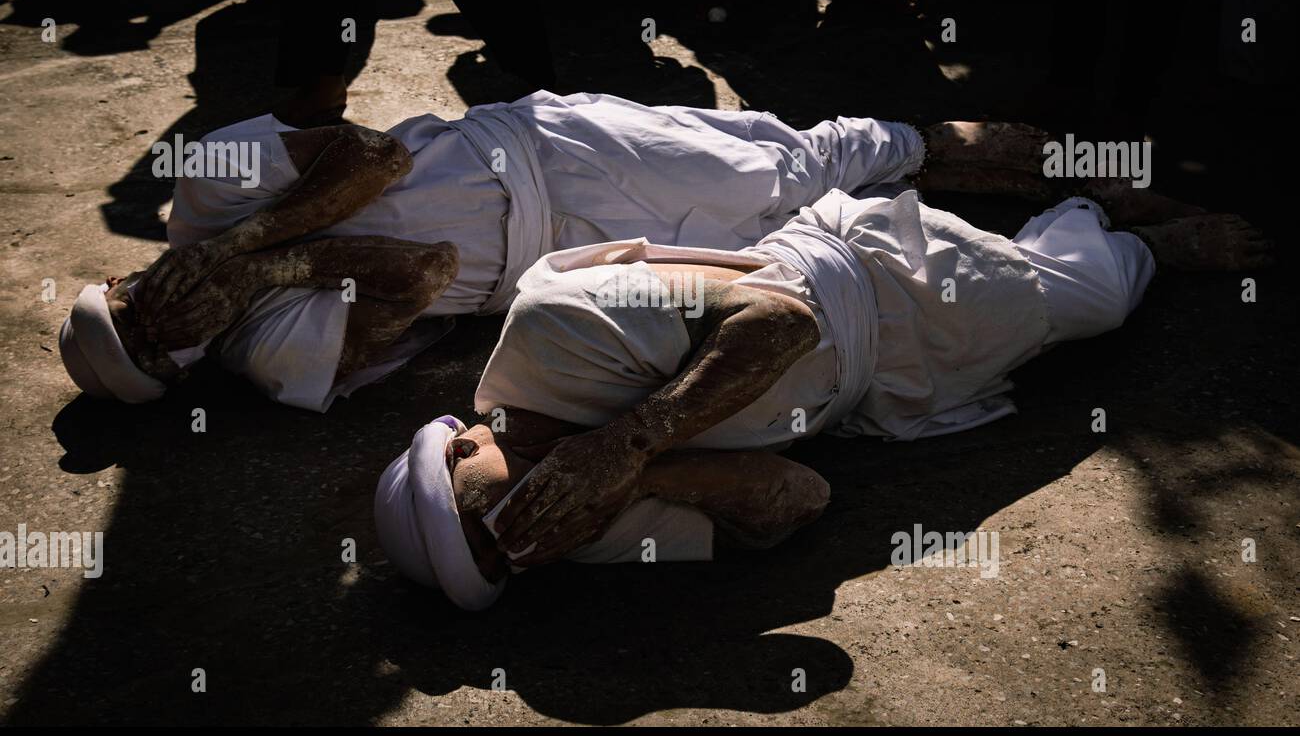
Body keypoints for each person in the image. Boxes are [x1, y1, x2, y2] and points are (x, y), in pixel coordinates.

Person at [373, 177, 1271, 610]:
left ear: (460, 446)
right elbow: (803, 498)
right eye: (503, 562)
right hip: (872, 394)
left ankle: (1131, 229)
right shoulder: (573, 534)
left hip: (875, 280)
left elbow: (781, 321)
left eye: (480, 519)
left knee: (1102, 302)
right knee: (1054, 321)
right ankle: (1068, 227)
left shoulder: (551, 324)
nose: (518, 533)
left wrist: (629, 442)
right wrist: (639, 483)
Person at [61, 91, 1041, 411]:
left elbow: (378, 152)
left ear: (128, 271)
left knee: (813, 158)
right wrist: (261, 270)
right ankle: (1088, 237)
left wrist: (244, 237)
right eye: (158, 343)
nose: (168, 315)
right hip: (579, 265)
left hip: (550, 143)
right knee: (824, 240)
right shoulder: (274, 357)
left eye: (136, 302)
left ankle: (1076, 165)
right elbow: (425, 274)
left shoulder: (207, 179)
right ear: (182, 369)